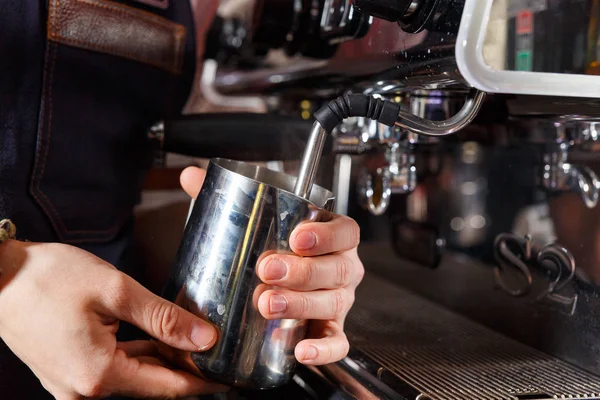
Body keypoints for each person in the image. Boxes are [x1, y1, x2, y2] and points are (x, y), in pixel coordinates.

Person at [0, 0, 365, 399]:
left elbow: (98, 199)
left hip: (116, 356)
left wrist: (292, 269)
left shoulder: (197, 10)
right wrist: (9, 275)